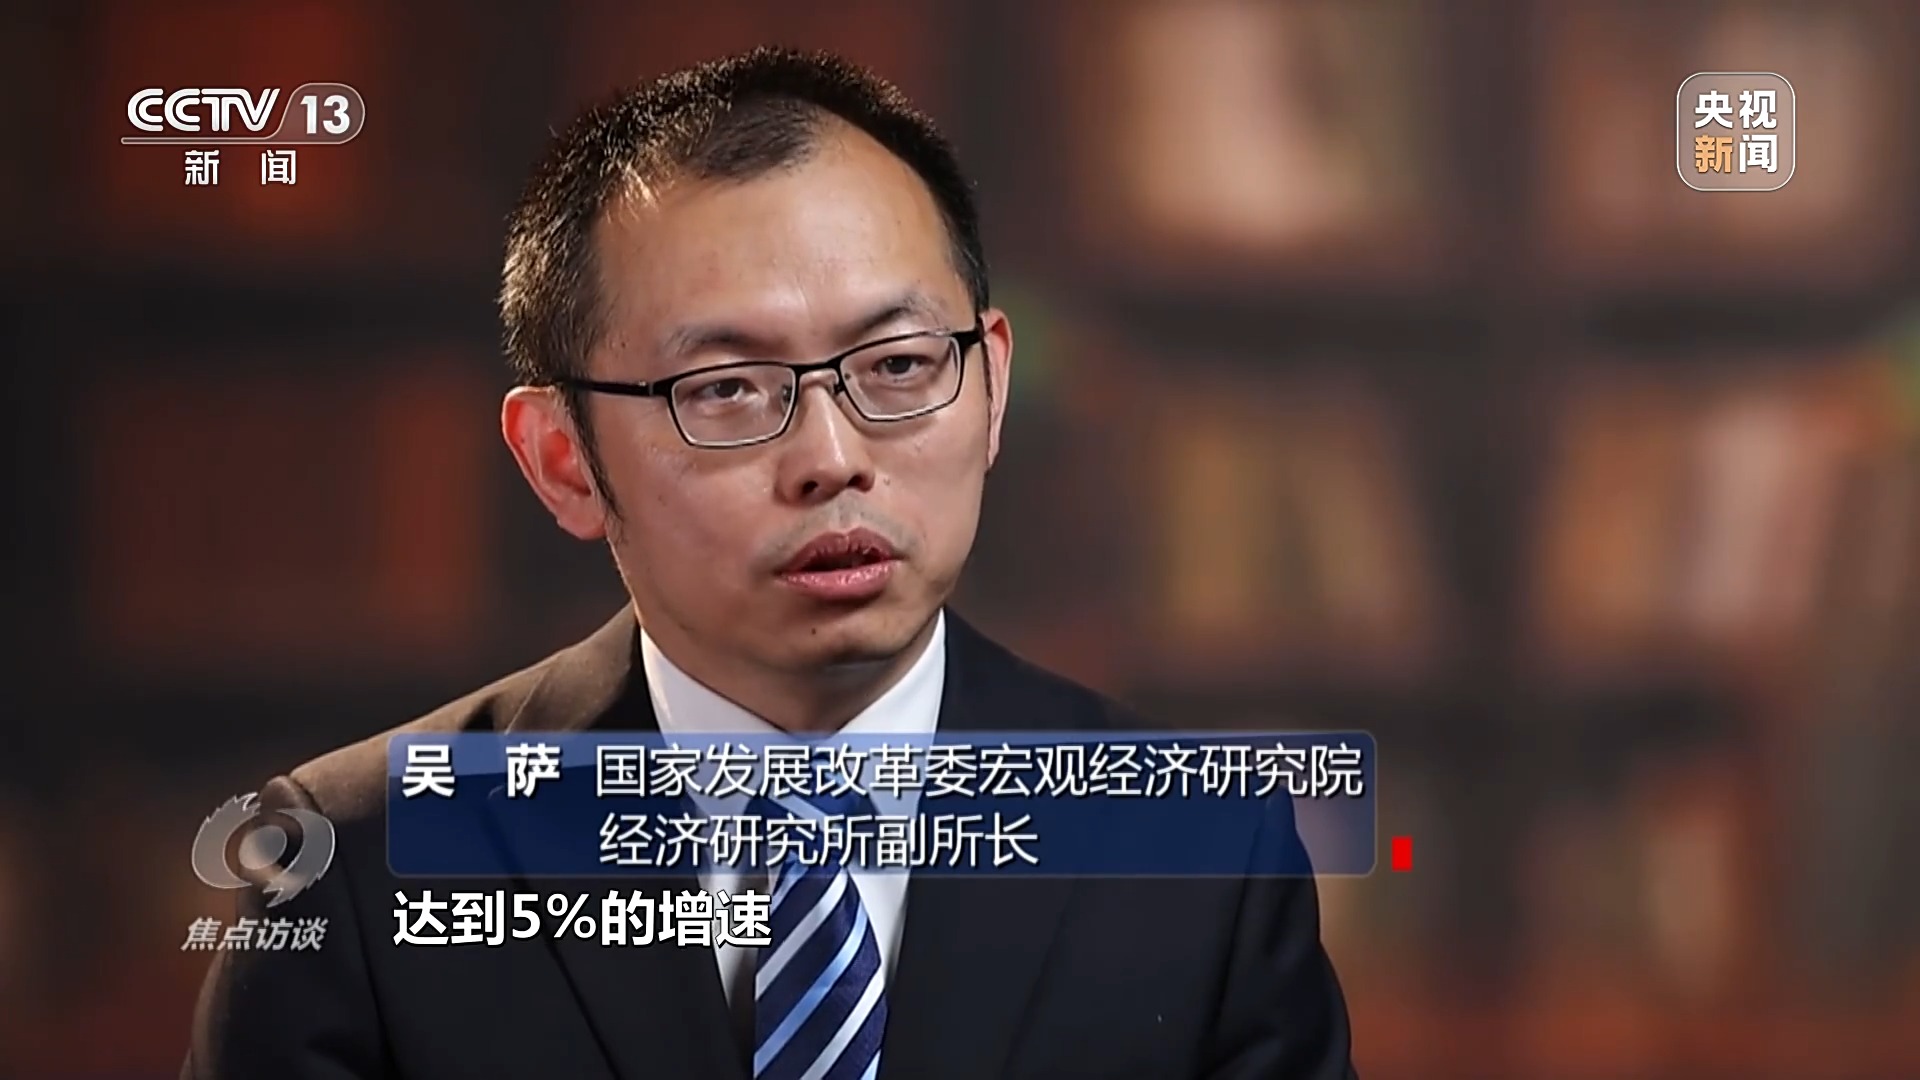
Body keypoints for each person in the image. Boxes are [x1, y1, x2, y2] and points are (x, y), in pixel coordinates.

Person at [182, 46, 1357, 1080]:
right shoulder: (354, 867)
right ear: (563, 461)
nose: (831, 460)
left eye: (898, 366)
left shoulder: (1205, 849)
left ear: (992, 386)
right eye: (727, 389)